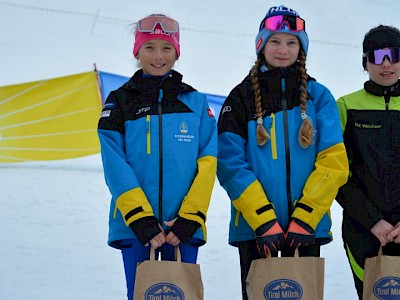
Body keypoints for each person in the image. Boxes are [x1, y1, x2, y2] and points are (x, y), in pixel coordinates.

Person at [216, 5, 349, 299]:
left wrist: (306, 217)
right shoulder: (240, 97)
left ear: (301, 49)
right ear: (261, 44)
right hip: (255, 229)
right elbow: (229, 164)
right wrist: (263, 218)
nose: (283, 49)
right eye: (275, 40)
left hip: (307, 227)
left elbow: (334, 163)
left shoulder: (320, 96)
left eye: (292, 42)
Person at [97, 14, 217, 300]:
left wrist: (191, 217)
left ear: (177, 52)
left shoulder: (196, 103)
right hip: (134, 225)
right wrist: (141, 219)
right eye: (149, 47)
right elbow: (115, 164)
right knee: (141, 294)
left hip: (183, 227)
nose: (158, 56)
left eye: (166, 48)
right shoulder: (119, 101)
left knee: (181, 295)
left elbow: (208, 162)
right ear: (136, 51)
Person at [336, 24, 400, 299]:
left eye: (393, 55)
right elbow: (334, 172)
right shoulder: (346, 106)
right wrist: (373, 220)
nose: (385, 65)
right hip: (363, 229)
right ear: (365, 63)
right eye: (376, 56)